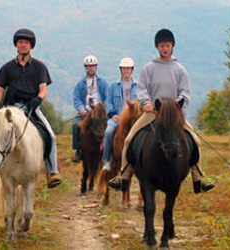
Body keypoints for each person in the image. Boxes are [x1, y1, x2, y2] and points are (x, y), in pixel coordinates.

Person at [109, 29, 215, 193]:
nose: (165, 48)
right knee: (129, 139)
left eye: (167, 45)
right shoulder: (148, 68)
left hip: (173, 115)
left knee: (196, 141)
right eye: (162, 45)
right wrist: (145, 102)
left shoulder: (180, 69)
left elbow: (185, 93)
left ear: (172, 46)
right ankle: (124, 175)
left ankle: (198, 178)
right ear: (157, 47)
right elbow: (142, 89)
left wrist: (178, 106)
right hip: (152, 113)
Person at [0, 28, 62, 188]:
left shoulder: (40, 67)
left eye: (26, 42)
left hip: (30, 107)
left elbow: (43, 89)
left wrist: (38, 99)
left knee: (50, 135)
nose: (23, 45)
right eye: (20, 42)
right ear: (16, 45)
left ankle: (52, 172)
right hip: (9, 110)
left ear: (31, 46)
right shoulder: (7, 67)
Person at [101, 57, 138, 171]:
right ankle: (107, 160)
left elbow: (141, 102)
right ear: (120, 70)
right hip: (116, 118)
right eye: (124, 69)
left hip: (133, 119)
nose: (126, 71)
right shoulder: (112, 86)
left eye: (128, 69)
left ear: (132, 70)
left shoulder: (138, 86)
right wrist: (113, 115)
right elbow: (108, 102)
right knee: (108, 132)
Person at [71, 55, 109, 162]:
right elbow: (77, 98)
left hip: (100, 112)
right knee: (75, 126)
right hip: (86, 112)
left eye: (93, 66)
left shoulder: (103, 82)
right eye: (88, 66)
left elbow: (108, 97)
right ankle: (78, 151)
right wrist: (81, 109)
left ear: (96, 67)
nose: (91, 68)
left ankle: (108, 150)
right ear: (85, 67)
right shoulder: (80, 84)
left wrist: (102, 108)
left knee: (109, 128)